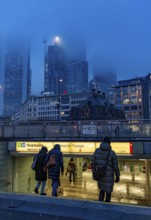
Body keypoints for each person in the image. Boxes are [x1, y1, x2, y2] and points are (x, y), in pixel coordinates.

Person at [91, 137, 120, 203]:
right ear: (109, 143)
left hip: (100, 174)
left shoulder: (97, 151)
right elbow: (115, 166)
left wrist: (94, 173)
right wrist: (117, 175)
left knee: (102, 190)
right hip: (109, 177)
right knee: (108, 192)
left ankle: (100, 204)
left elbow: (93, 163)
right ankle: (107, 205)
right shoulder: (112, 153)